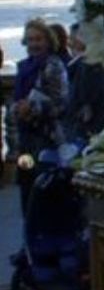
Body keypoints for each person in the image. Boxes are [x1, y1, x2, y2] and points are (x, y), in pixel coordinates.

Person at [6, 18, 69, 213]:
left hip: (47, 142)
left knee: (47, 190)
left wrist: (31, 108)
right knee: (27, 189)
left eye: (38, 39)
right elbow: (14, 101)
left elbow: (61, 103)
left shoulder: (54, 66)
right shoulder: (24, 67)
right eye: (30, 39)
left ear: (48, 41)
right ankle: (29, 238)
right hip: (25, 142)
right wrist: (16, 109)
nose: (34, 44)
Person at [63, 23, 104, 144]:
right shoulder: (98, 60)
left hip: (88, 119)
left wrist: (86, 106)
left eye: (72, 37)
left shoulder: (88, 64)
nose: (69, 42)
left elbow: (90, 90)